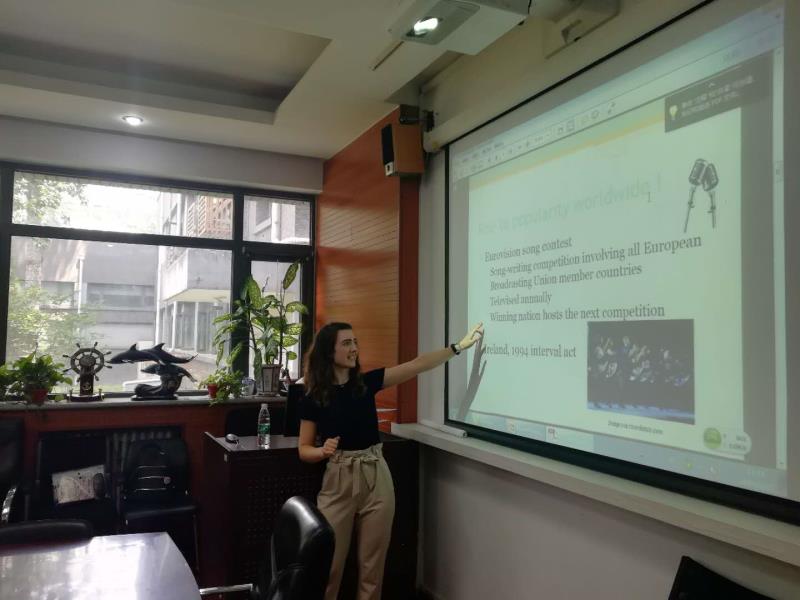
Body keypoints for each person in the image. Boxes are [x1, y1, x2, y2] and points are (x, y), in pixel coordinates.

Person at [298, 321, 484, 600]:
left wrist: (457, 348)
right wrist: (322, 451)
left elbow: (416, 365)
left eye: (355, 342)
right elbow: (303, 449)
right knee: (329, 567)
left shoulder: (367, 383)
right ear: (329, 351)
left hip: (376, 475)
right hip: (339, 478)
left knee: (372, 569)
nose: (354, 348)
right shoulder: (313, 397)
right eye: (346, 343)